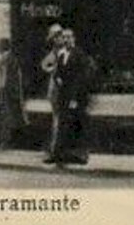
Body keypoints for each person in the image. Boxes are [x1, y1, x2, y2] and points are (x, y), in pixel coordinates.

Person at [52, 29, 95, 165]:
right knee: (63, 124)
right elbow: (57, 72)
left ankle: (80, 156)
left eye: (69, 37)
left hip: (76, 96)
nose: (66, 40)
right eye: (64, 37)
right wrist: (57, 78)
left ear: (74, 39)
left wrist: (75, 98)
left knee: (77, 125)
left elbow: (82, 78)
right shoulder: (61, 55)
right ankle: (60, 155)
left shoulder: (79, 54)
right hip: (64, 96)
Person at [0, 37, 26, 151]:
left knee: (3, 120)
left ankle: (3, 144)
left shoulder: (8, 59)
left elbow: (5, 79)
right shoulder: (5, 59)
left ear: (2, 47)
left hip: (5, 94)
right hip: (2, 93)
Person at [39, 24, 66, 163]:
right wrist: (53, 69)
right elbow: (44, 65)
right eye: (55, 37)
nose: (58, 39)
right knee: (58, 119)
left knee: (60, 119)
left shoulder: (65, 50)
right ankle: (54, 151)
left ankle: (58, 150)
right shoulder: (55, 52)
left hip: (63, 87)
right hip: (56, 88)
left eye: (59, 36)